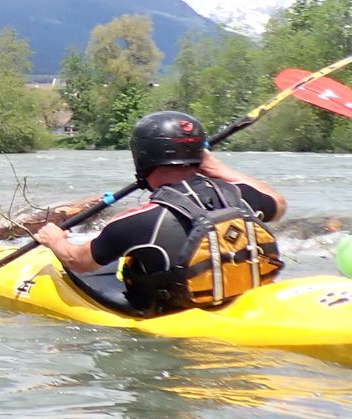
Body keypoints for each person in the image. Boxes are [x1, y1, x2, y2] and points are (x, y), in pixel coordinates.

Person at [33, 110, 286, 315]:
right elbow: (278, 203)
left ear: (142, 157)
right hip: (240, 300)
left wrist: (54, 239)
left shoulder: (138, 221)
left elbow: (78, 261)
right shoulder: (239, 196)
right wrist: (219, 169)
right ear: (200, 156)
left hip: (173, 312)